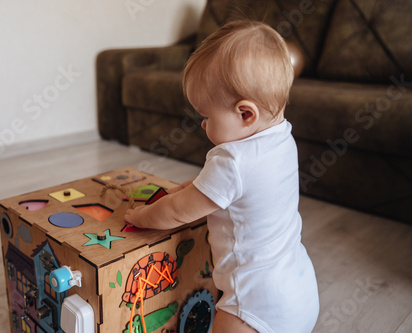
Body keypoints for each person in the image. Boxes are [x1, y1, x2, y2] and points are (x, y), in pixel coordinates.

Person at [124, 20, 319, 333]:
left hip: (252, 306)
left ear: (245, 114)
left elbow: (176, 211)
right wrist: (189, 188)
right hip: (298, 288)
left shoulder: (231, 160)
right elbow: (223, 192)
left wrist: (142, 215)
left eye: (206, 116)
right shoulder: (282, 137)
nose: (202, 125)